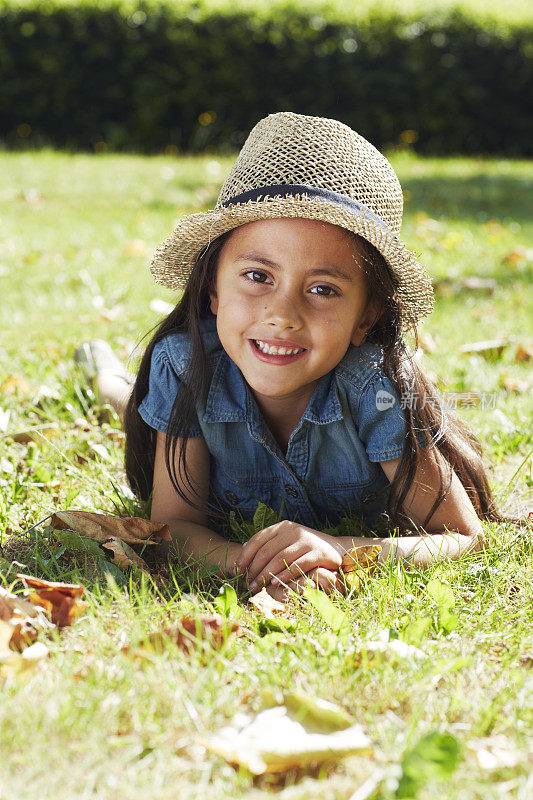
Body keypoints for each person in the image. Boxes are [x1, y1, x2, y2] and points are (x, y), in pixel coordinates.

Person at [82, 112, 507, 601]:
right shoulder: (185, 367)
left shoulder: (378, 389)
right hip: (178, 389)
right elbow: (173, 527)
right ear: (213, 290)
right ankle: (102, 370)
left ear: (365, 318)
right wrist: (268, 564)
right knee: (120, 396)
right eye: (258, 276)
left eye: (323, 289)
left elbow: (465, 540)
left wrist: (336, 550)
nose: (283, 315)